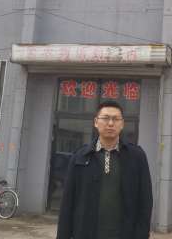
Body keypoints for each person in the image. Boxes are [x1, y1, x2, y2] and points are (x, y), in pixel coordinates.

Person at [57, 100, 153, 239]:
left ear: (122, 124)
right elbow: (68, 203)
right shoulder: (80, 157)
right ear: (96, 122)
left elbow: (145, 201)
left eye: (116, 119)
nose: (110, 123)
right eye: (106, 118)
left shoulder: (136, 156)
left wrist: (141, 234)